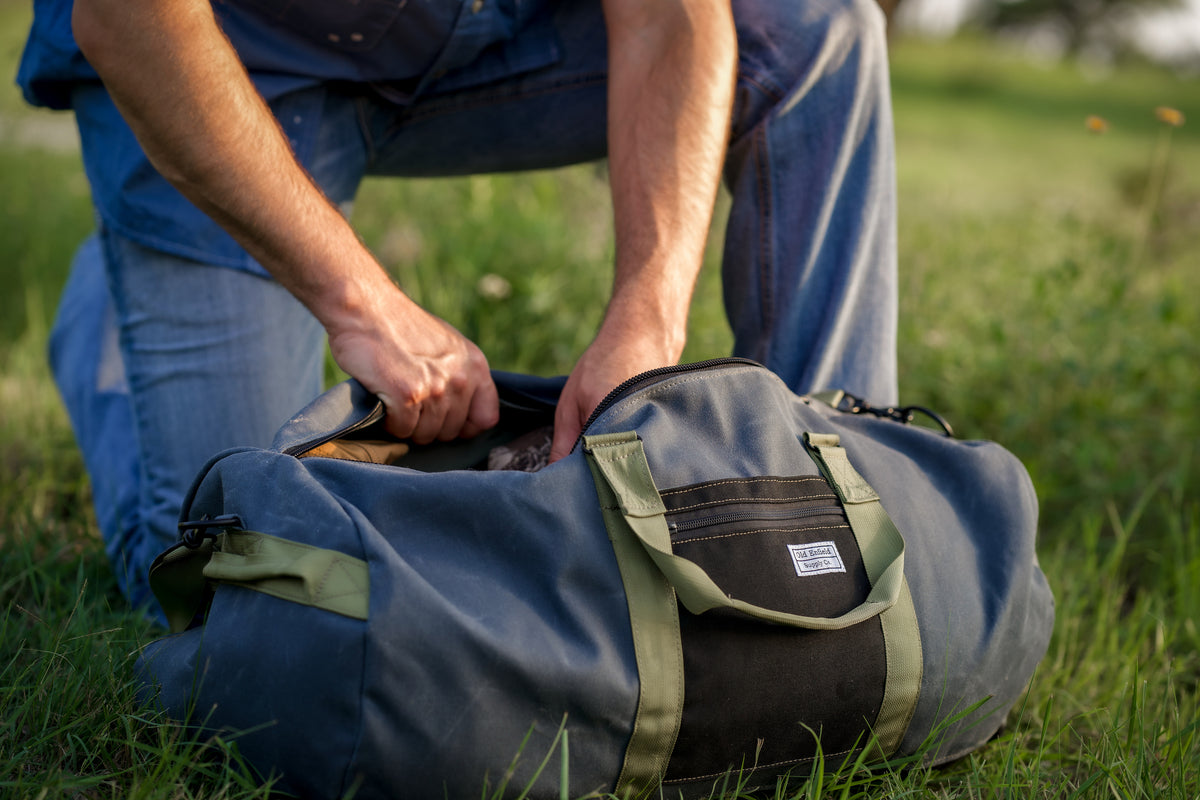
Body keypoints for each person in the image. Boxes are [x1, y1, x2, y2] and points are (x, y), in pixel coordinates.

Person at [17, 0, 899, 618]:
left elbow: (667, 14)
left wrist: (650, 316)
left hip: (494, 34)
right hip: (224, 58)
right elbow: (131, 17)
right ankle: (125, 285)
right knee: (231, 578)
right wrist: (362, 305)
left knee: (816, 28)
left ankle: (836, 515)